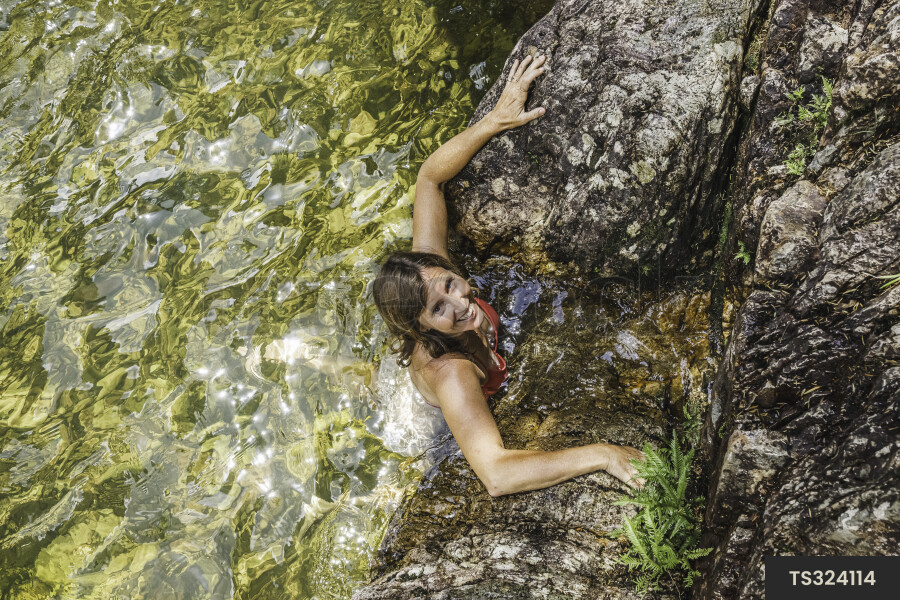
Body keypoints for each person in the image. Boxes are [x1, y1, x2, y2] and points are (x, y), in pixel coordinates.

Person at [373, 54, 644, 497]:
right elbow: (496, 475)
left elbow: (429, 180)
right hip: (423, 417)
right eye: (438, 308)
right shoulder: (453, 375)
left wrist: (495, 120)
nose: (460, 303)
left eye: (450, 285)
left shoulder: (427, 269)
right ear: (421, 326)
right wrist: (603, 454)